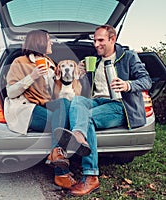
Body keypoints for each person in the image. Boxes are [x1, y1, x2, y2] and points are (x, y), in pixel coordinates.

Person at [55, 24, 152, 196]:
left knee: (88, 118)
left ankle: (91, 176)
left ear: (112, 39)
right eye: (94, 40)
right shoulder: (95, 61)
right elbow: (85, 86)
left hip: (120, 105)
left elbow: (146, 80)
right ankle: (79, 135)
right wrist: (81, 73)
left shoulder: (128, 56)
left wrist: (127, 85)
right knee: (78, 100)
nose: (96, 44)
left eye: (101, 40)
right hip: (97, 101)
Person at [4, 29, 90, 190]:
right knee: (63, 125)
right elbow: (11, 92)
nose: (51, 43)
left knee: (63, 104)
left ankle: (55, 155)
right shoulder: (19, 62)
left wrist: (77, 74)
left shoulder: (50, 63)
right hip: (26, 108)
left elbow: (58, 91)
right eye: (49, 40)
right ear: (40, 42)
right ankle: (61, 173)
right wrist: (33, 76)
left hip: (46, 105)